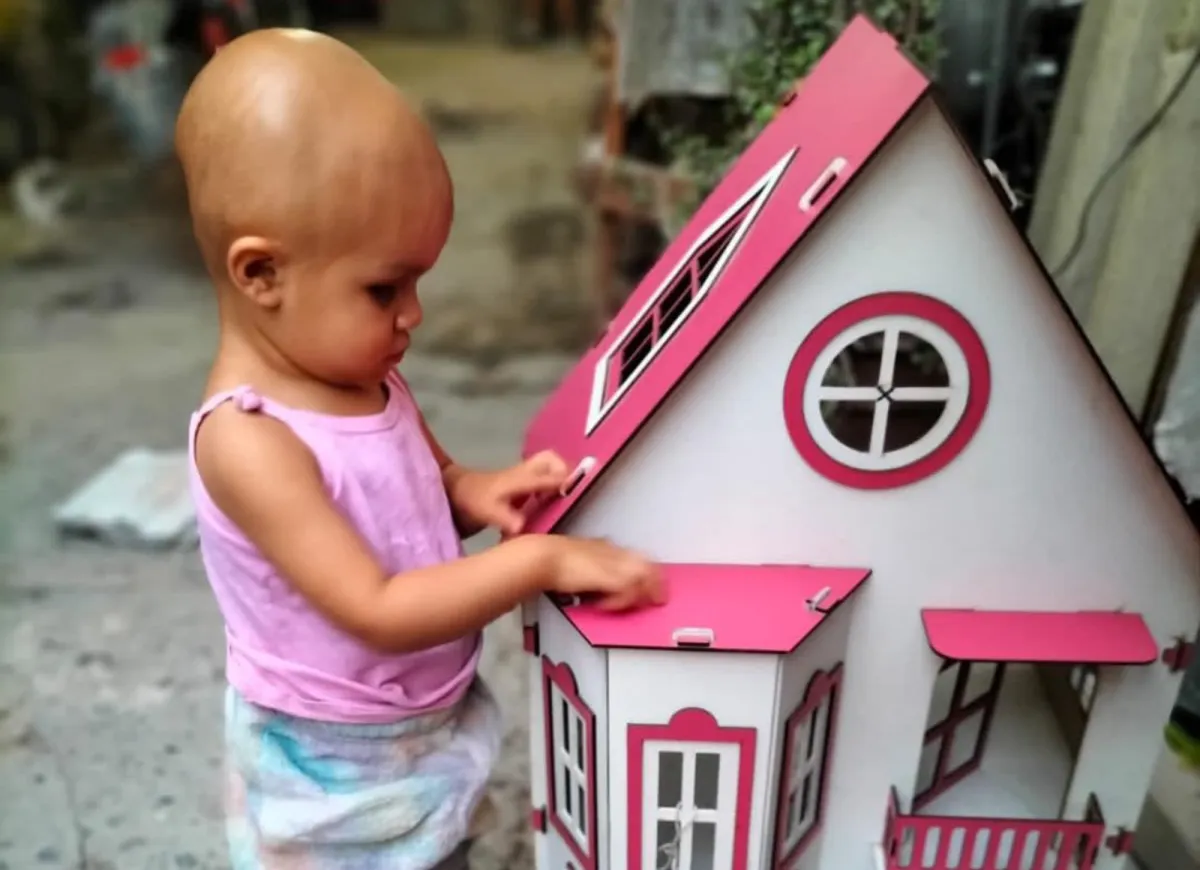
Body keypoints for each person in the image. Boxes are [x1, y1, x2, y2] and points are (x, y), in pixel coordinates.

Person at [174, 27, 665, 870]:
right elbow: (377, 607)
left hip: (420, 718)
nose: (414, 314)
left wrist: (477, 490)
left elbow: (424, 481)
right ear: (261, 275)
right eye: (383, 288)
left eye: (417, 282)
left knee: (438, 844)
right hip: (335, 758)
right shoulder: (250, 442)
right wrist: (539, 562)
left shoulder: (368, 378)